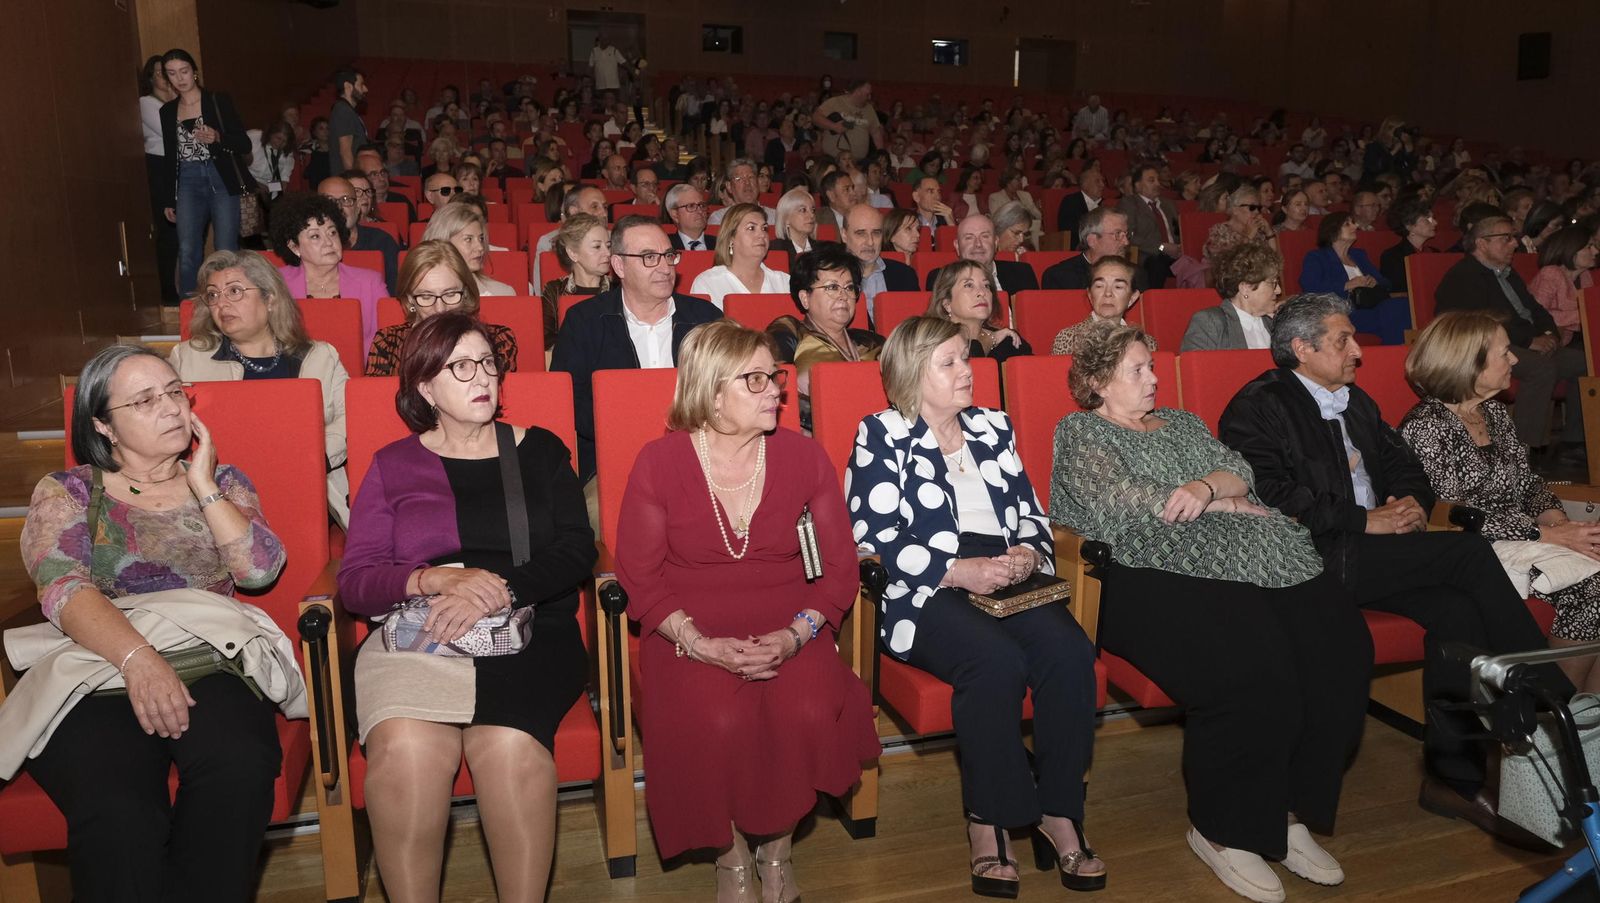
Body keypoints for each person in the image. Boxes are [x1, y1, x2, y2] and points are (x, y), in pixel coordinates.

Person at [1218, 293, 1567, 850]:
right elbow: (1268, 494)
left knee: (1457, 612)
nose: (1359, 350)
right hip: (1312, 557)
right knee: (1467, 553)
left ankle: (1453, 778)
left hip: (1374, 552)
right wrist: (1364, 519)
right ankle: (1554, 704)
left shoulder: (1353, 400)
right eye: (1343, 341)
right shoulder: (1259, 405)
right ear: (1301, 349)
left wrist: (1406, 501)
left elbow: (1406, 462)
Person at [1051, 321, 1367, 903]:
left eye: (1152, 366)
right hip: (1134, 574)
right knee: (1251, 666)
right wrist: (1221, 500)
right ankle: (1224, 830)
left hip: (1237, 560)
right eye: (1137, 371)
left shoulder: (1184, 423)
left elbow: (1239, 469)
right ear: (1097, 382)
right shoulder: (1080, 432)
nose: (1153, 379)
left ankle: (1285, 811)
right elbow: (1128, 507)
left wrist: (1207, 487)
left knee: (1339, 649)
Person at [15, 343, 292, 902]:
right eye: (145, 401)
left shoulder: (223, 482)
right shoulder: (68, 491)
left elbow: (259, 570)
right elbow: (64, 589)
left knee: (239, 763)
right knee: (117, 805)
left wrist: (204, 481)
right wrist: (139, 659)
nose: (170, 408)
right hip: (95, 669)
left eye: (174, 393)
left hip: (209, 661)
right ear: (104, 426)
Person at [616, 320, 877, 901]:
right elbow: (638, 572)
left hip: (791, 623)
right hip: (687, 627)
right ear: (710, 392)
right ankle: (732, 859)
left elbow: (838, 567)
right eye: (754, 380)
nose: (776, 392)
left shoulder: (804, 457)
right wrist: (699, 642)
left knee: (807, 707)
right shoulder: (659, 463)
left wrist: (793, 635)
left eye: (775, 377)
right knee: (716, 719)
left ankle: (776, 853)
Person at [338, 312, 593, 903]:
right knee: (405, 751)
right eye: (460, 367)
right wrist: (430, 580)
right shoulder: (393, 465)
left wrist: (502, 587)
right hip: (417, 634)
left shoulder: (540, 450)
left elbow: (578, 549)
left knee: (505, 748)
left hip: (527, 630)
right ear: (425, 388)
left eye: (487, 363)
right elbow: (357, 581)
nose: (482, 377)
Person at [848, 316, 1103, 898]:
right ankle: (989, 819)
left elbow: (1033, 514)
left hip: (1004, 570)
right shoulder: (881, 433)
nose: (968, 371)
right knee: (994, 662)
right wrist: (956, 570)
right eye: (951, 362)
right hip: (923, 583)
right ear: (913, 374)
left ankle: (1058, 810)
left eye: (966, 358)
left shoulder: (992, 426)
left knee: (1069, 651)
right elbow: (872, 534)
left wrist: (1027, 555)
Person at [1401, 311, 1600, 692]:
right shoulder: (1427, 426)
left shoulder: (1493, 412)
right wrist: (1544, 533)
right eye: (1505, 352)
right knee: (1591, 589)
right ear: (1468, 363)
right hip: (1468, 550)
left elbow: (1527, 483)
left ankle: (1586, 728)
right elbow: (1453, 513)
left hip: (1527, 537)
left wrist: (1558, 521)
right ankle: (1546, 721)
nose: (1515, 360)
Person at [171, 250, 351, 525]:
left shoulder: (319, 356)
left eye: (234, 291)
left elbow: (350, 417)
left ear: (270, 299)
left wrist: (310, 455)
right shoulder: (187, 358)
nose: (222, 304)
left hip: (304, 488)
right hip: (214, 495)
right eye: (213, 295)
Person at [551, 216, 724, 486]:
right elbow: (568, 400)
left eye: (668, 255)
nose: (665, 267)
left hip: (701, 458)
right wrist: (626, 428)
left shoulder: (705, 319)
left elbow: (729, 388)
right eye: (649, 257)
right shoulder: (584, 321)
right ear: (618, 265)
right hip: (612, 462)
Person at [1436, 215, 1586, 453]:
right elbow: (1479, 324)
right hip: (1483, 348)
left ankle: (1576, 439)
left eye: (1513, 238)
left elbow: (1535, 309)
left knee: (1585, 362)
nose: (1514, 243)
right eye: (1506, 238)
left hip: (1523, 343)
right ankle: (1521, 451)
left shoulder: (1507, 273)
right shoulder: (1463, 277)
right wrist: (1530, 340)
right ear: (1482, 243)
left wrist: (1549, 333)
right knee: (1541, 368)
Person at [159, 49, 252, 297]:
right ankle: (190, 310)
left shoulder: (217, 101)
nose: (179, 78)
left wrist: (217, 137)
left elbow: (245, 143)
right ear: (167, 79)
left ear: (195, 72)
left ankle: (232, 299)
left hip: (219, 174)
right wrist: (169, 198)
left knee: (225, 247)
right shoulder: (167, 111)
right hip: (187, 178)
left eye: (184, 71)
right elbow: (171, 157)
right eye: (172, 73)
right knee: (188, 247)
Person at [767, 246, 884, 430]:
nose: (843, 296)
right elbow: (773, 389)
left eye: (849, 287)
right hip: (813, 436)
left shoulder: (872, 342)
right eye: (832, 287)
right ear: (805, 298)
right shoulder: (789, 330)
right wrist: (837, 417)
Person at [365, 241, 518, 377]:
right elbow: (377, 404)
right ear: (410, 298)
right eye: (426, 297)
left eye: (450, 294)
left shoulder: (497, 340)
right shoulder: (388, 343)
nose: (440, 308)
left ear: (465, 292)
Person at [269, 193, 388, 355]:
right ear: (294, 247)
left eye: (332, 232)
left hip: (357, 374)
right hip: (299, 374)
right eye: (315, 236)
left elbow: (385, 341)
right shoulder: (277, 284)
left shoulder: (370, 282)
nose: (329, 242)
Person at [1182, 243, 1284, 351]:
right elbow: (1196, 366)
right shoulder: (1210, 323)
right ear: (1245, 288)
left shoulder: (1276, 323)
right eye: (1273, 283)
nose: (1278, 290)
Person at [690, 203, 791, 310]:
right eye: (751, 228)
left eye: (764, 228)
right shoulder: (708, 282)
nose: (762, 235)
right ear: (731, 238)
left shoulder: (783, 282)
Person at [927, 259, 1031, 363]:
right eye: (968, 285)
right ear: (947, 304)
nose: (982, 292)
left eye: (986, 285)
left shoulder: (1008, 340)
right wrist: (990, 341)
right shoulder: (934, 344)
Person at [538, 213, 612, 353]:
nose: (607, 253)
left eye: (608, 246)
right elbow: (546, 341)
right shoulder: (555, 290)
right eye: (597, 247)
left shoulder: (619, 289)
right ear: (573, 254)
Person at [139, 55, 180, 304]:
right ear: (151, 77)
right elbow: (173, 132)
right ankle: (167, 292)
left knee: (184, 234)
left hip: (182, 167)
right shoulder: (146, 102)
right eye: (160, 73)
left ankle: (180, 288)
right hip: (160, 167)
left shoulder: (180, 101)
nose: (165, 78)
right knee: (168, 232)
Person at [1051, 256, 1147, 355]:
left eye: (1118, 287)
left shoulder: (1145, 343)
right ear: (1090, 295)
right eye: (1099, 286)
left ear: (1132, 297)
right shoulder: (1070, 339)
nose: (1108, 293)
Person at [320, 175, 399, 295]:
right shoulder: (306, 247)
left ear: (357, 208)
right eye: (330, 200)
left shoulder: (382, 242)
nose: (338, 207)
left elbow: (395, 295)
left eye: (346, 200)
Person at [923, 215, 1040, 295]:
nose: (978, 244)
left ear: (995, 243)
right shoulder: (940, 278)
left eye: (985, 236)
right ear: (957, 246)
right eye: (969, 238)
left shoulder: (1022, 273)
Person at [420, 202, 516, 296]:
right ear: (443, 242)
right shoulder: (419, 294)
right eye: (468, 239)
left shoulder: (502, 293)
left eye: (481, 238)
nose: (480, 247)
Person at [844, 205, 920, 323]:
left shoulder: (905, 275)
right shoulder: (832, 276)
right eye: (861, 233)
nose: (870, 242)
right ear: (844, 235)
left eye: (876, 233)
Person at [1527, 225, 1597, 348]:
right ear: (1571, 250)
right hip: (1548, 343)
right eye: (1589, 247)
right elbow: (1538, 315)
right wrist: (1582, 315)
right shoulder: (1551, 273)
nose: (1596, 251)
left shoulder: (1585, 275)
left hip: (1574, 339)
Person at [1298, 213, 1389, 300]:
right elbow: (1310, 287)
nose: (1355, 226)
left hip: (1370, 304)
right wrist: (1346, 285)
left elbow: (1386, 282)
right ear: (1332, 231)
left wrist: (1375, 281)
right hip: (1339, 309)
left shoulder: (1359, 255)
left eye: (1353, 223)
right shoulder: (1317, 257)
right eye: (1347, 224)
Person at [1041, 208, 1133, 291]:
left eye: (1126, 235)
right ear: (1092, 241)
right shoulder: (1060, 277)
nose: (1126, 242)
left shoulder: (1135, 275)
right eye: (1117, 234)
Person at [1119, 164, 1180, 287]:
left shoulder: (1168, 204)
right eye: (1151, 180)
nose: (1157, 184)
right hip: (1147, 255)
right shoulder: (1129, 204)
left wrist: (1181, 247)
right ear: (1137, 185)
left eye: (1158, 180)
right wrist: (1161, 247)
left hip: (1176, 254)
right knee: (1158, 263)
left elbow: (1179, 230)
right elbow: (1129, 235)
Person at [1203, 184, 1276, 270]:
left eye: (1258, 208)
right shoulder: (1219, 232)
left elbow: (1274, 262)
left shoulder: (1258, 232)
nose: (1257, 212)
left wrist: (1269, 232)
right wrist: (1248, 236)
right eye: (1252, 207)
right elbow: (1229, 267)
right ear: (1235, 209)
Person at [812, 80, 884, 162]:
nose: (869, 97)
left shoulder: (869, 108)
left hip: (858, 161)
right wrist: (834, 126)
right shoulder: (835, 102)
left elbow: (876, 133)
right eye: (867, 94)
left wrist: (881, 154)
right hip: (835, 159)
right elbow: (816, 117)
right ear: (858, 92)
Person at [1378, 196, 1437, 293]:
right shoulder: (1392, 256)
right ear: (1409, 226)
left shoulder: (1435, 252)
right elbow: (1398, 290)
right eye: (1427, 220)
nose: (1435, 223)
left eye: (1433, 219)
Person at [708, 159, 777, 226]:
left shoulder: (774, 217)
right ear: (729, 186)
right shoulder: (720, 219)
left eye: (751, 177)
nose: (747, 183)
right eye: (739, 179)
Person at [328, 69, 369, 176]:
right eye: (361, 85)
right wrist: (354, 181)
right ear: (348, 86)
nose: (365, 89)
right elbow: (345, 152)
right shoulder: (343, 111)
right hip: (348, 181)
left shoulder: (346, 110)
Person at [770, 186, 821, 267]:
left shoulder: (823, 250)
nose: (811, 215)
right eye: (803, 210)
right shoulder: (774, 250)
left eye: (813, 210)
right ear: (786, 218)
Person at [1056, 168, 1106, 241]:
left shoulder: (1106, 204)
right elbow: (1069, 231)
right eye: (1097, 181)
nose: (1102, 185)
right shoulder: (1071, 201)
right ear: (1084, 185)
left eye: (1103, 181)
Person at [664, 184, 713, 252]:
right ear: (675, 214)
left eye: (702, 205)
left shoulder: (721, 245)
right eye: (691, 206)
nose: (700, 211)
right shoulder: (666, 246)